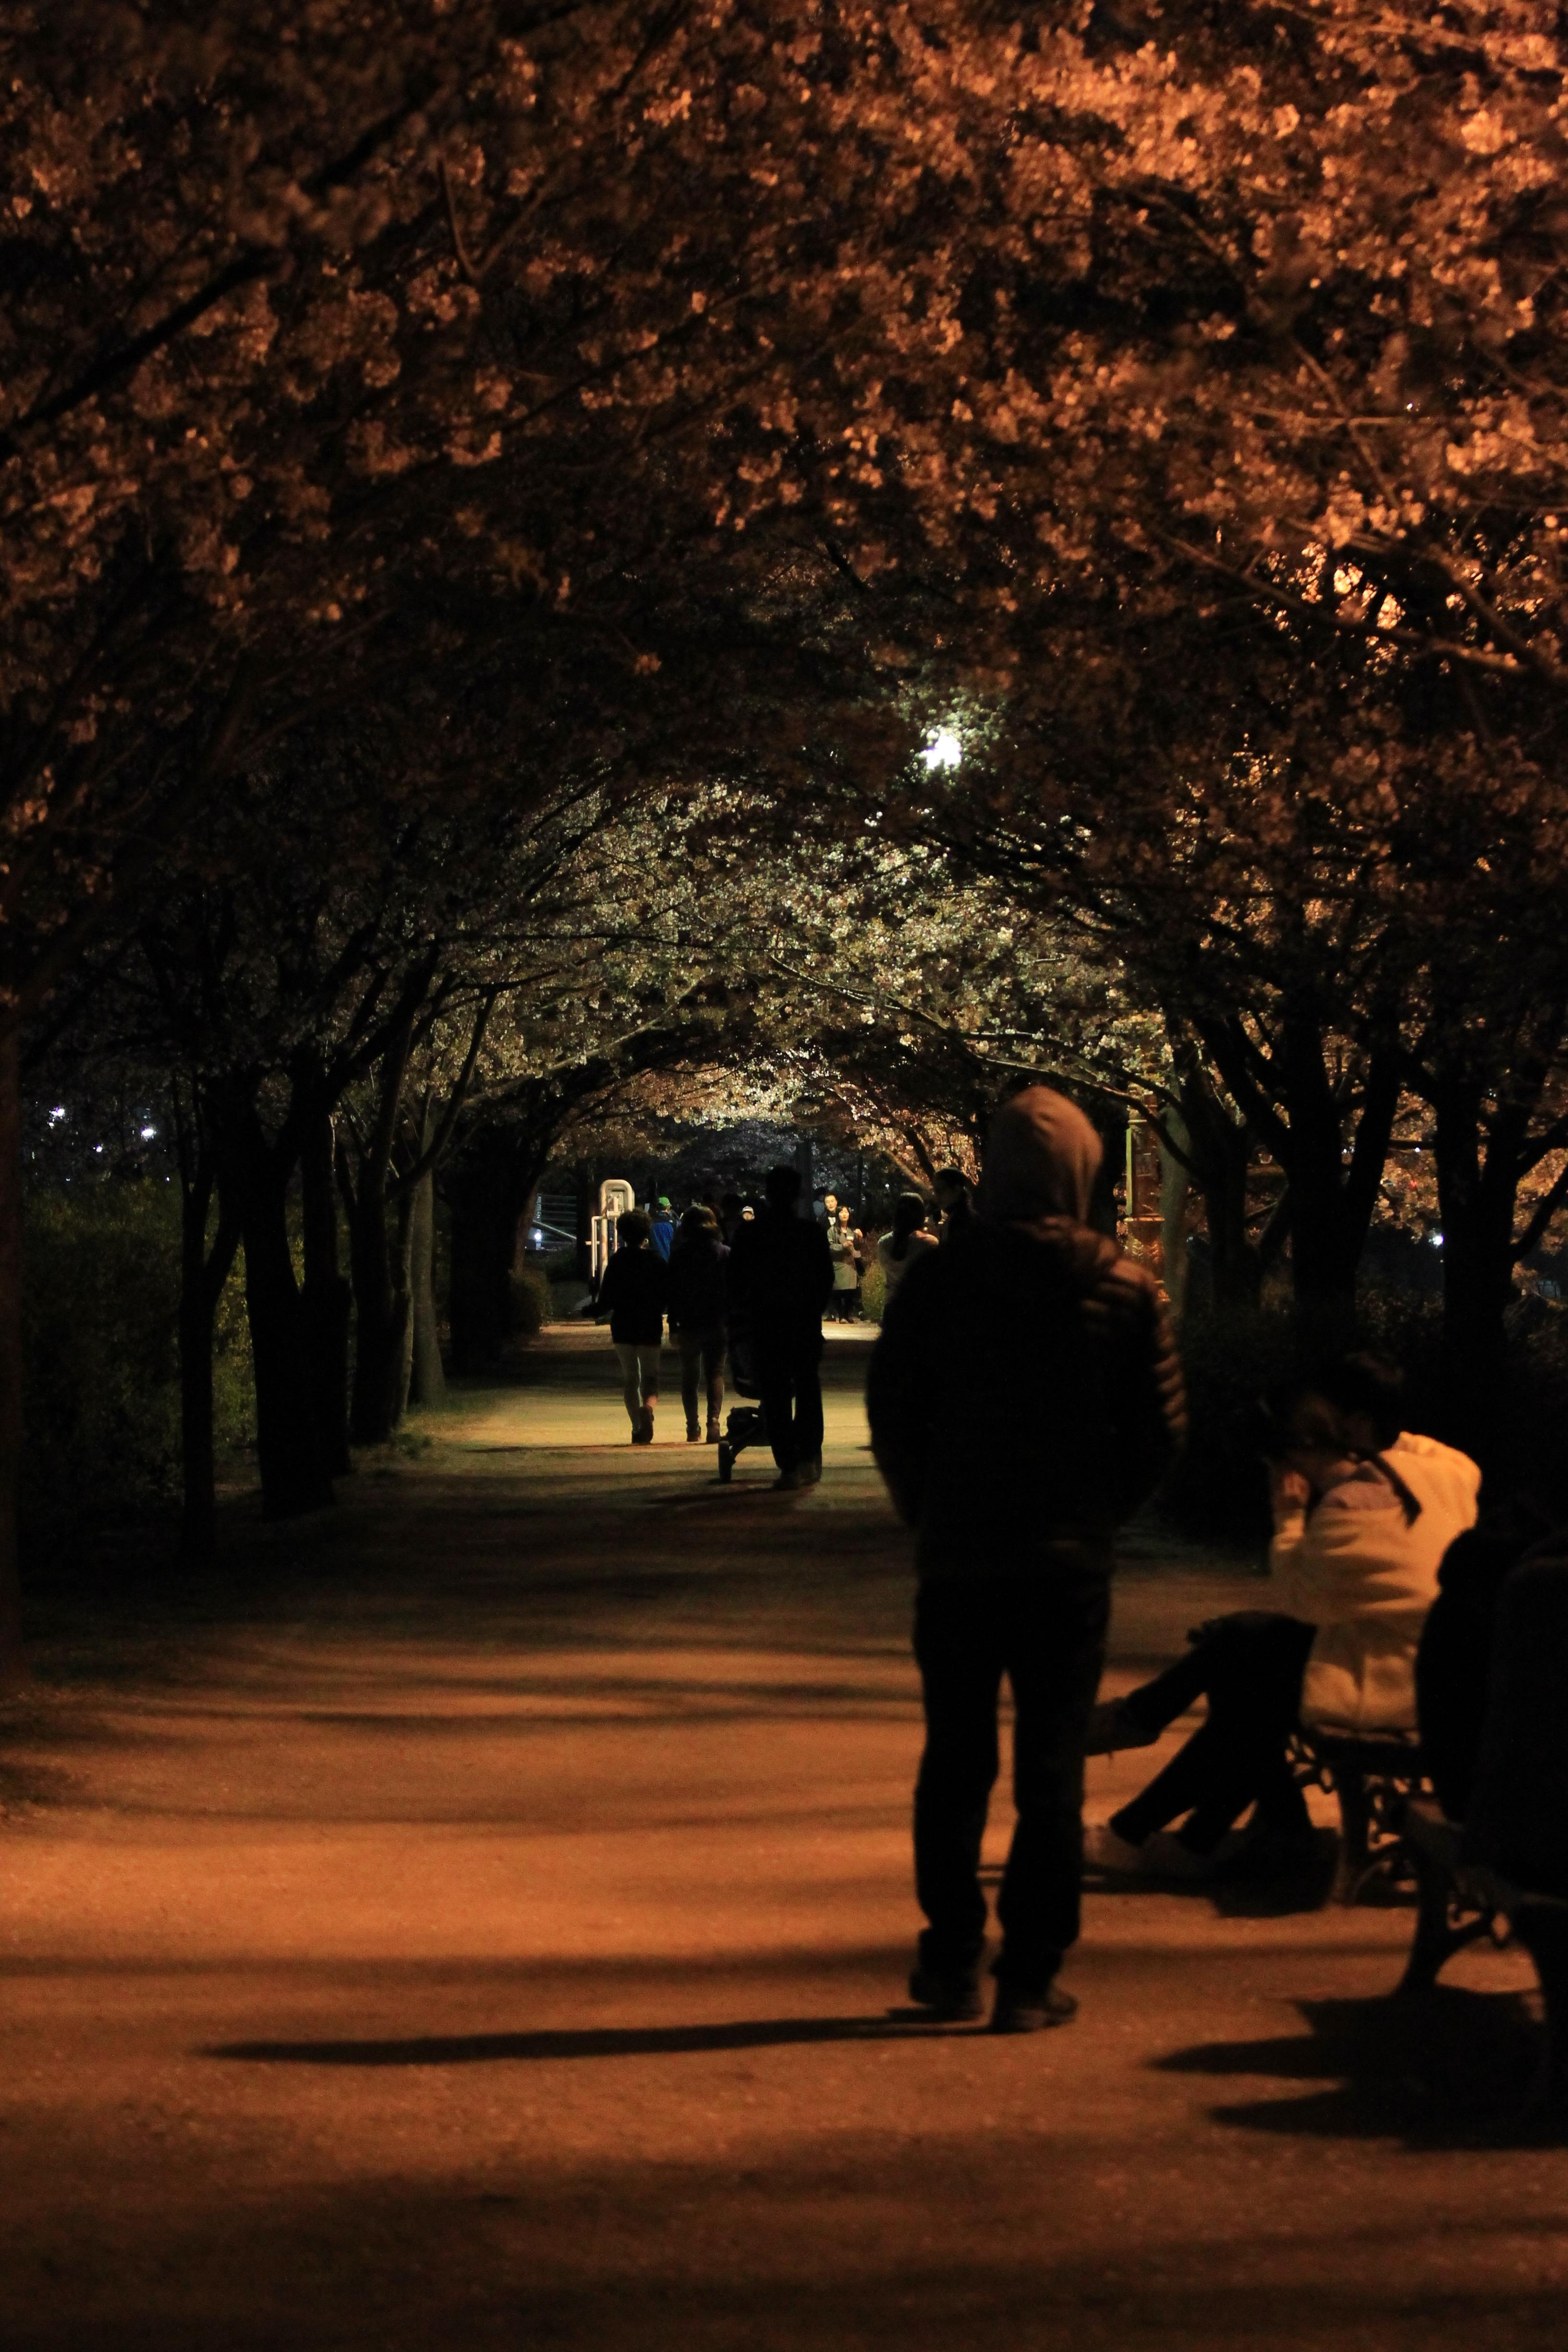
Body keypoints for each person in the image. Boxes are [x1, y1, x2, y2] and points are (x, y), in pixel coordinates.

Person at [867, 1085, 1186, 2034]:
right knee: (1051, 1766)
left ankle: (950, 1961)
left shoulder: (939, 1281)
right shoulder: (1124, 1287)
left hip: (960, 1555)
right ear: (1082, 1172)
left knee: (953, 1762)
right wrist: (1100, 1514)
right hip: (1066, 1564)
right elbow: (1161, 1431)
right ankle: (1029, 1975)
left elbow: (892, 1408)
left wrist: (924, 1504)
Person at [1084, 1355, 1482, 1876]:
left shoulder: (1349, 1510)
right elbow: (1410, 1445)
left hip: (1391, 1685)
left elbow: (1300, 1601)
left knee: (1248, 1682)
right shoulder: (1447, 1471)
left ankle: (1148, 1794)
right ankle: (1208, 1826)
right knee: (1242, 1648)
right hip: (1435, 1669)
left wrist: (1289, 1514)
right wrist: (1348, 1441)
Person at [727, 1163, 833, 1490]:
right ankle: (809, 1455)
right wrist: (812, 1310)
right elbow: (825, 1279)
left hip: (766, 1324)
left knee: (775, 1395)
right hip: (803, 1324)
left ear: (767, 1193)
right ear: (798, 1193)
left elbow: (735, 1281)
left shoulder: (750, 1234)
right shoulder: (810, 1233)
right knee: (808, 1388)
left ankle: (788, 1465)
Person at [594, 1209, 668, 1443]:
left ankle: (637, 1427)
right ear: (646, 1232)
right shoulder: (656, 1260)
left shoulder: (617, 1261)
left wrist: (591, 1311)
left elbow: (606, 1299)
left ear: (622, 1233)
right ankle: (648, 1408)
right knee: (650, 1377)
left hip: (623, 1325)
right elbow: (667, 1294)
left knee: (630, 1379)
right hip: (650, 1324)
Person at [668, 1204, 729, 1443]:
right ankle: (714, 1422)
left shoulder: (680, 1255)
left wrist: (673, 1325)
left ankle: (692, 1427)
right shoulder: (725, 1253)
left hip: (688, 1321)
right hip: (718, 1321)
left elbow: (673, 1292)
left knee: (689, 1376)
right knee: (716, 1373)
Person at [876, 1191, 939, 1305]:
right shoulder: (929, 1244)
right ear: (921, 1215)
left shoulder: (883, 1243)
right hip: (920, 1304)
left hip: (893, 1304)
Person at [829, 1205, 860, 1321]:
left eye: (846, 1212)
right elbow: (830, 1246)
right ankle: (841, 1315)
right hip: (839, 1263)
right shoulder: (832, 1231)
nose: (844, 1214)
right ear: (838, 1215)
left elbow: (859, 1246)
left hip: (851, 1264)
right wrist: (843, 1246)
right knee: (838, 1291)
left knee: (851, 1291)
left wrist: (860, 1238)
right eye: (842, 1212)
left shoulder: (853, 1230)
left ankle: (847, 1315)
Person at [932, 1165, 974, 1245]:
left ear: (957, 1190)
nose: (936, 1197)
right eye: (934, 1191)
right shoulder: (957, 1217)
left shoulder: (961, 1221)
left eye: (940, 1191)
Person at [649, 1196, 676, 1262]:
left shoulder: (650, 1222)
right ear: (668, 1208)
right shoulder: (674, 1222)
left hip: (655, 1261)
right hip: (670, 1260)